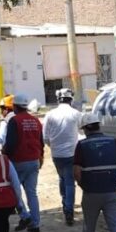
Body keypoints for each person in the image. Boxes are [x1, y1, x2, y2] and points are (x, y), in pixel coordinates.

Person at [2, 93, 44, 232]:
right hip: (34, 161)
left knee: (14, 192)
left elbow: (11, 143)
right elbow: (41, 142)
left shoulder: (14, 121)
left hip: (18, 162)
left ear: (15, 106)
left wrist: (4, 154)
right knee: (32, 193)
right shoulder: (36, 121)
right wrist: (41, 158)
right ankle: (35, 224)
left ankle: (25, 216)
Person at [42, 87, 82, 225]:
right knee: (70, 182)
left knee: (62, 178)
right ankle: (69, 210)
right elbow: (83, 132)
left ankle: (65, 203)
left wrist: (53, 147)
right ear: (71, 99)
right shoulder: (76, 114)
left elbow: (45, 137)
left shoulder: (50, 114)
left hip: (57, 154)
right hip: (72, 154)